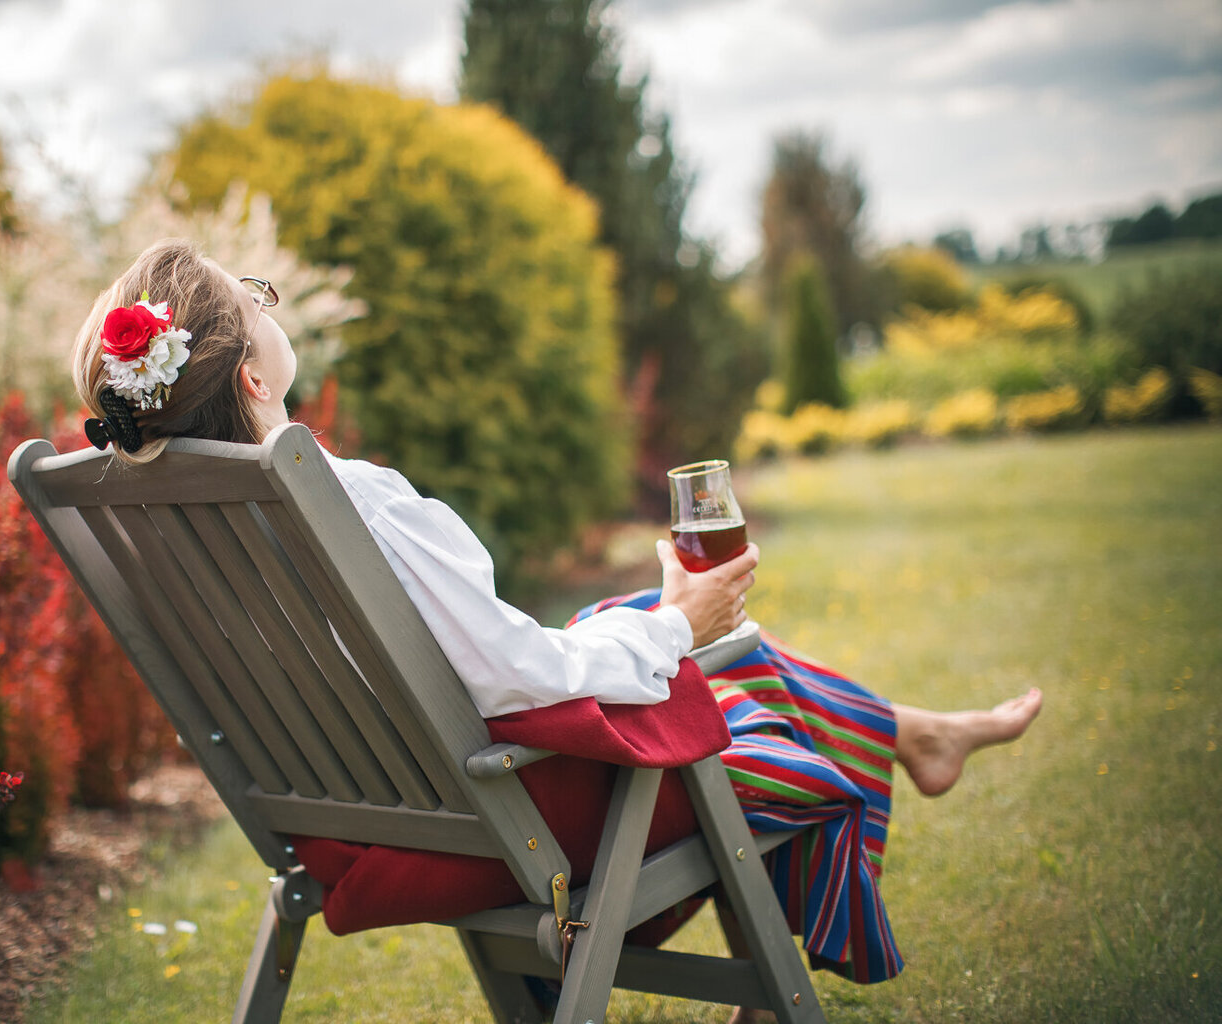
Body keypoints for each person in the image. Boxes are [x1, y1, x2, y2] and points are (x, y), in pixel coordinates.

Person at [72, 240, 1042, 1008]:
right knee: (747, 696)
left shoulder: (153, 532)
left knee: (646, 629)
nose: (269, 304)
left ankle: (914, 730)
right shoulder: (346, 501)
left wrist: (653, 623)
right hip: (505, 819)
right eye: (257, 302)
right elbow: (518, 676)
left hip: (350, 830)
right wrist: (678, 621)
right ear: (251, 378)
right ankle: (899, 740)